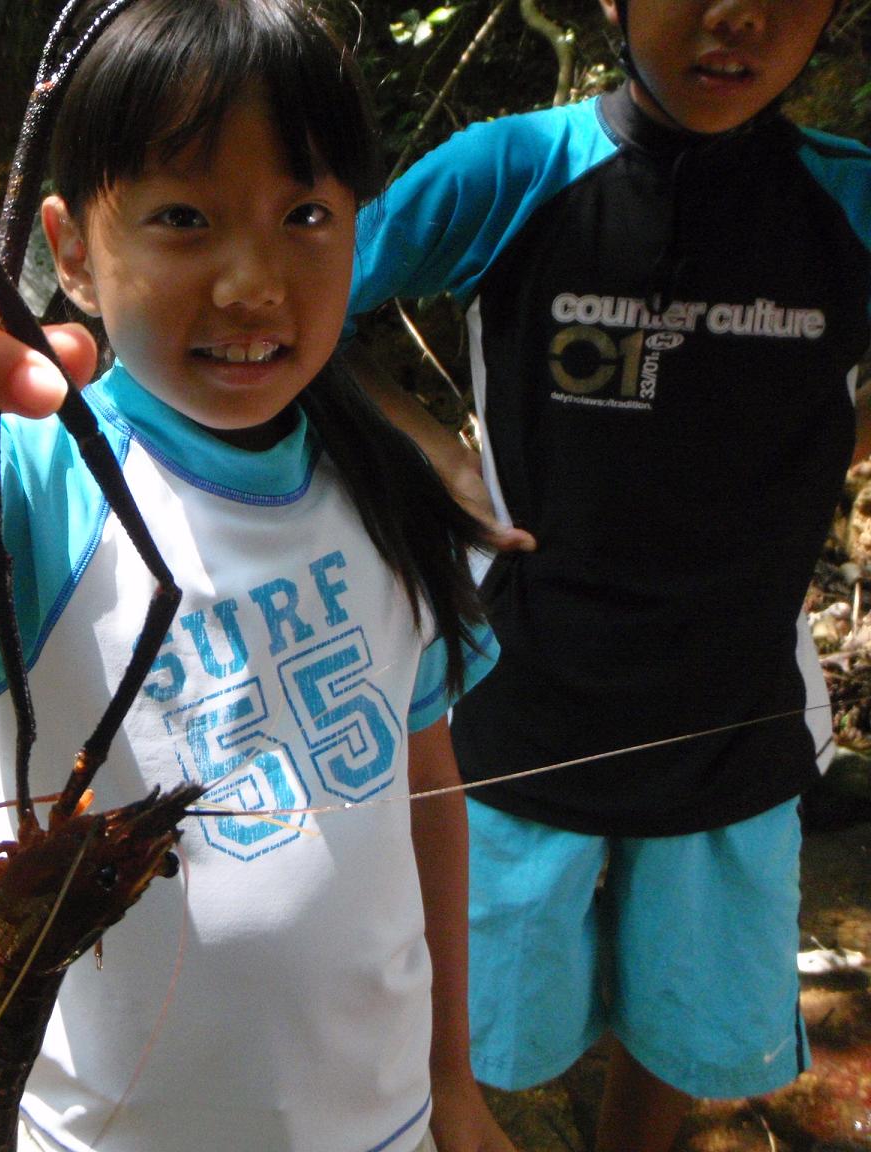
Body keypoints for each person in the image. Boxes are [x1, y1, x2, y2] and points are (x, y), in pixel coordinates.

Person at [0, 2, 518, 1150]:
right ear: (70, 252)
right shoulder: (29, 475)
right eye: (182, 216)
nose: (251, 282)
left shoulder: (393, 487)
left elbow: (428, 788)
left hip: (386, 1124)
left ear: (360, 231)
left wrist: (455, 1081)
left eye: (306, 214)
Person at [346, 1, 871, 1149]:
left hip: (735, 714)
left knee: (678, 1025)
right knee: (476, 1035)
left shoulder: (846, 197)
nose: (740, 16)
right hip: (516, 709)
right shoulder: (512, 172)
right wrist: (429, 447)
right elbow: (301, 299)